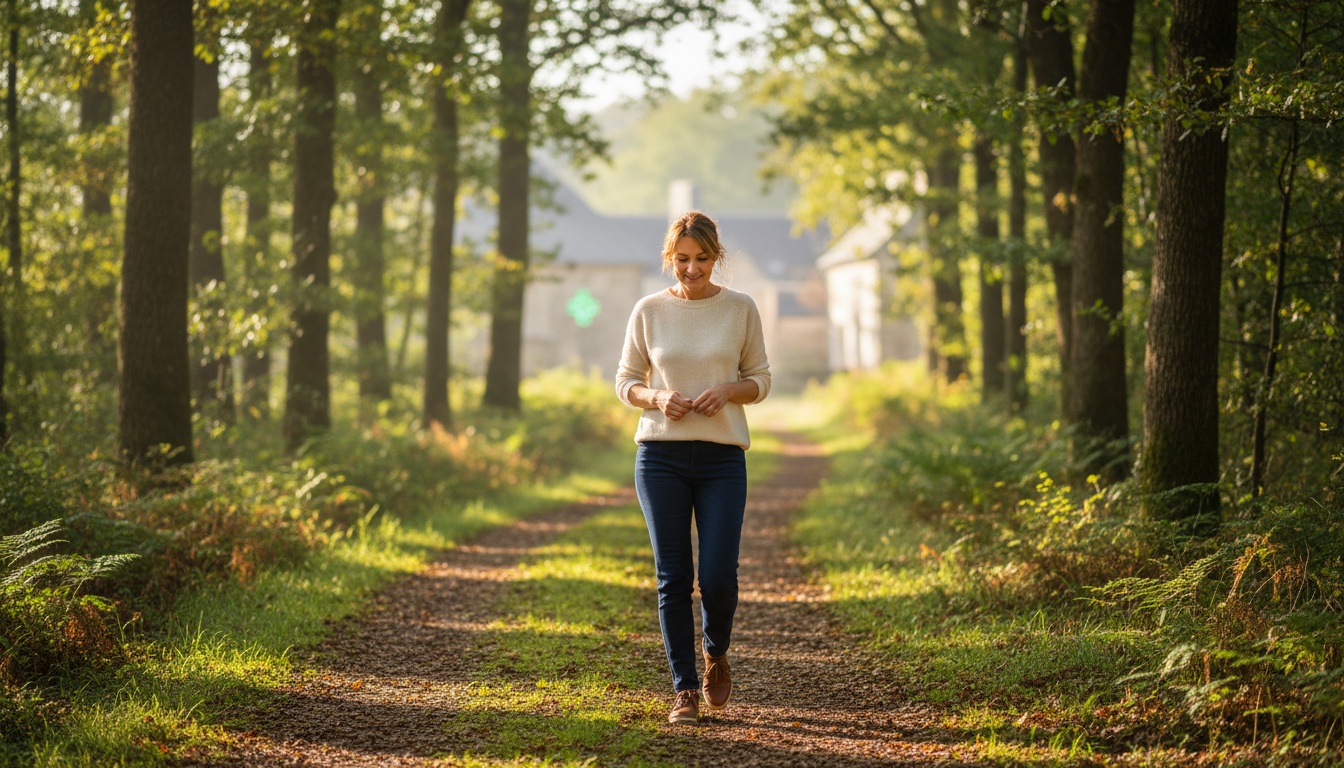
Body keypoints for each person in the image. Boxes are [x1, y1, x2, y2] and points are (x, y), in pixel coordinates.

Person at [614, 210, 771, 724]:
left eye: (702, 259)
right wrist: (656, 396)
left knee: (720, 577)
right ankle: (683, 688)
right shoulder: (648, 310)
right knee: (673, 577)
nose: (692, 268)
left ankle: (716, 654)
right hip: (660, 456)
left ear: (716, 257)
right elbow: (625, 382)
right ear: (669, 258)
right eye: (682, 259)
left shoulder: (741, 309)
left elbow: (761, 379)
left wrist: (729, 389)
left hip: (723, 456)